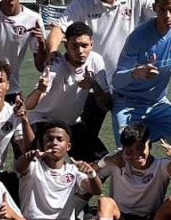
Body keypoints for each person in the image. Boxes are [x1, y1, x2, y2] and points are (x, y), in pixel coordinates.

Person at [47, 0, 159, 155]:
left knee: (133, 144)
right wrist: (53, 51)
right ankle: (80, 180)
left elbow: (165, 14)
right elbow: (59, 27)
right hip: (93, 85)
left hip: (129, 85)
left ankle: (135, 182)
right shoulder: (83, 2)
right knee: (82, 140)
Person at [14, 122, 107, 220]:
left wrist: (91, 173)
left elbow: (96, 190)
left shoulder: (73, 170)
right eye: (49, 139)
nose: (54, 143)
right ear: (42, 144)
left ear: (68, 146)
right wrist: (28, 156)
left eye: (59, 139)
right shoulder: (33, 166)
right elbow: (19, 166)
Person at [110, 0, 171, 146]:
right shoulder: (138, 37)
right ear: (154, 7)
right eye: (162, 9)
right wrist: (137, 73)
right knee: (128, 155)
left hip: (158, 103)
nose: (167, 15)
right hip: (128, 103)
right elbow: (116, 81)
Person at [26, 21, 112, 160]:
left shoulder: (96, 61)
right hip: (44, 121)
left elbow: (106, 105)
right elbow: (29, 105)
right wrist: (41, 89)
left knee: (101, 160)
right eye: (74, 46)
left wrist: (94, 86)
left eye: (84, 45)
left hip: (71, 123)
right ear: (65, 45)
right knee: (42, 162)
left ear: (92, 44)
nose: (79, 51)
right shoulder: (56, 64)